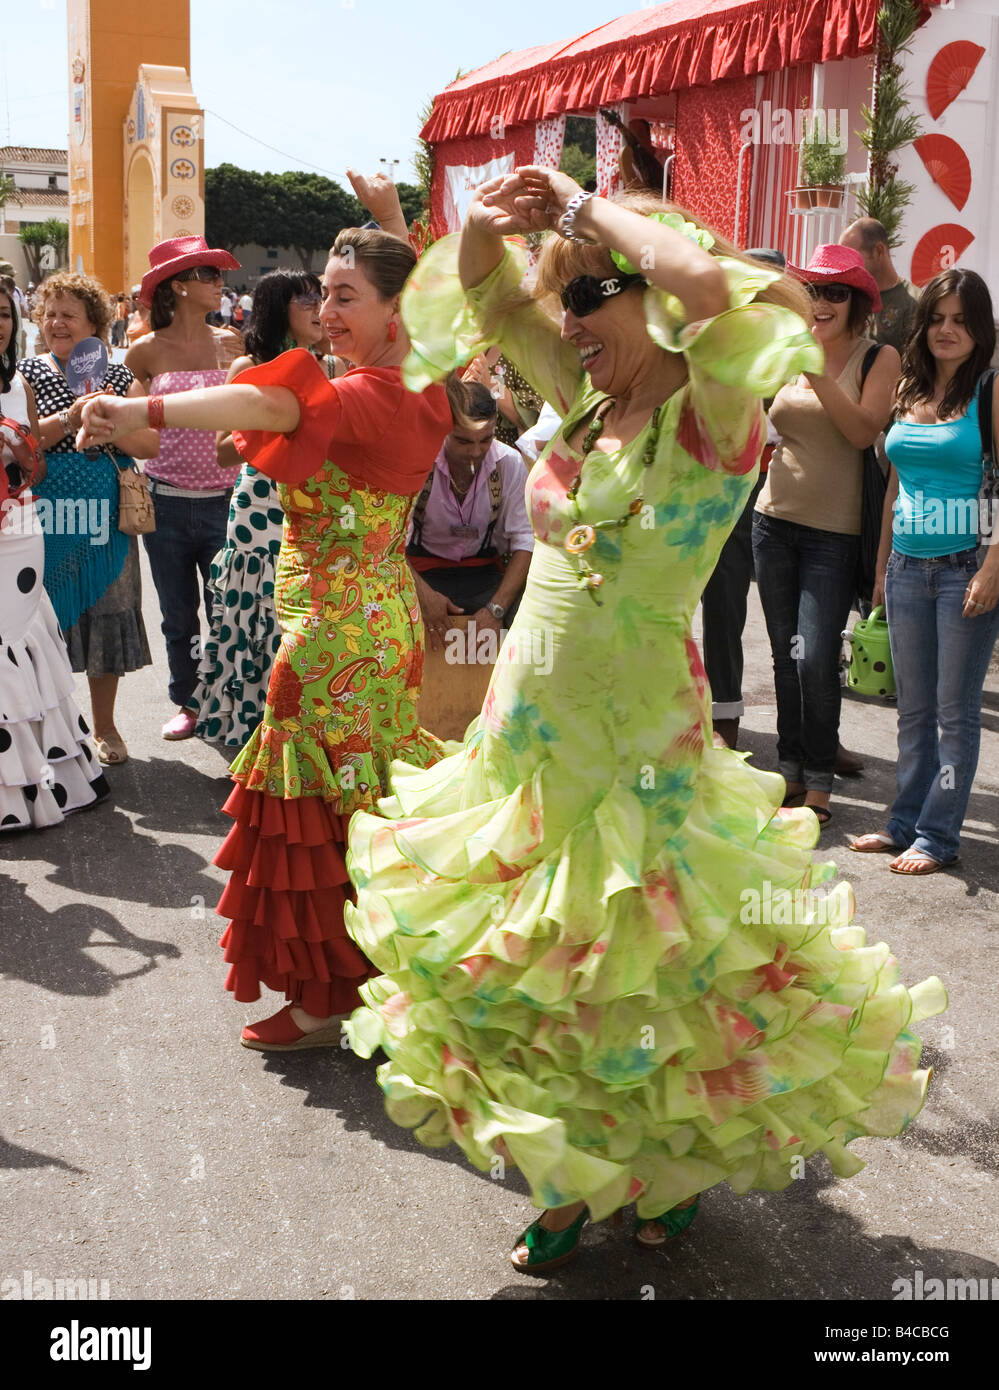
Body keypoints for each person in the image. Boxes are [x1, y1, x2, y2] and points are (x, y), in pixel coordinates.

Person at [327, 171, 941, 1269]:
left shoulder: (719, 410)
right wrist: (495, 222)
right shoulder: (585, 396)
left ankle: (634, 1172)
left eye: (591, 296)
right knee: (536, 967)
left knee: (636, 966)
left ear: (646, 302)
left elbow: (704, 282)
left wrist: (576, 195)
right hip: (529, 724)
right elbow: (485, 292)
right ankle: (593, 1172)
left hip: (636, 733)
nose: (568, 321)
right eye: (566, 302)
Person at [79, 221, 453, 1049]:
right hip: (384, 627)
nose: (326, 311)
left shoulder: (361, 395)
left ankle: (328, 1003)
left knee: (315, 817)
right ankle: (387, 977)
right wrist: (390, 214)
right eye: (324, 293)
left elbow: (259, 400)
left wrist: (134, 406)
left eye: (347, 296)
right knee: (368, 805)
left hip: (329, 642)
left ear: (398, 311)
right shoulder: (424, 386)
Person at [851, 268, 999, 872]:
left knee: (953, 711)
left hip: (967, 563)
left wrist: (992, 567)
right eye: (938, 317)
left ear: (980, 328)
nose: (947, 330)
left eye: (961, 320)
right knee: (911, 708)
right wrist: (884, 568)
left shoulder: (990, 389)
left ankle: (938, 837)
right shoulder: (908, 388)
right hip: (909, 566)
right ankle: (902, 823)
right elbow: (894, 487)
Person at [753, 246, 901, 826]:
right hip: (773, 520)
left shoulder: (877, 357)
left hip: (833, 536)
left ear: (858, 303)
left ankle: (819, 776)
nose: (821, 302)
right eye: (813, 290)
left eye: (836, 292)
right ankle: (790, 769)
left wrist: (813, 368)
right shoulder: (785, 350)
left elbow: (864, 431)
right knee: (785, 657)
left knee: (815, 656)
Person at [19, 273, 159, 765]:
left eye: (69, 315)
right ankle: (51, 728)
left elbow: (149, 444)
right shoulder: (26, 374)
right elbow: (23, 443)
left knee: (107, 616)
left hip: (106, 521)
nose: (57, 323)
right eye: (50, 314)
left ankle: (105, 727)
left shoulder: (119, 377)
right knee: (41, 625)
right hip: (45, 520)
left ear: (95, 324)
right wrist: (70, 419)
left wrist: (106, 424)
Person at [191, 268, 331, 746]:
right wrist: (279, 421)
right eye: (307, 298)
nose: (319, 307)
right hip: (259, 504)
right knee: (253, 609)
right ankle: (248, 726)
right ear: (278, 308)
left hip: (313, 502)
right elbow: (223, 451)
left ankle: (297, 728)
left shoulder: (331, 366)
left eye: (322, 297)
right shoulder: (247, 368)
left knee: (302, 614)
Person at [0, 280, 110, 828]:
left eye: (1, 313)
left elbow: (33, 454)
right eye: (52, 313)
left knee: (23, 641)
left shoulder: (19, 382)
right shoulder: (32, 372)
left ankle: (42, 784)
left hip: (20, 528)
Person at [126, 236, 244, 740]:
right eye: (209, 276)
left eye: (219, 276)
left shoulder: (233, 344)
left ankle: (227, 704)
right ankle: (188, 702)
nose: (221, 284)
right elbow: (135, 426)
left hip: (228, 502)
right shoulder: (144, 351)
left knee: (228, 614)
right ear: (180, 285)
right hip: (167, 504)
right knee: (179, 617)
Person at [700, 247, 783, 750]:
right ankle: (707, 716)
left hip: (775, 495)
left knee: (762, 612)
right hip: (710, 491)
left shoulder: (794, 346)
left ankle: (807, 734)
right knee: (706, 604)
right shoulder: (715, 340)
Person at [408, 381, 533, 648]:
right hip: (422, 572)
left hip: (483, 574)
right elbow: (390, 540)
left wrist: (496, 609)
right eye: (463, 441)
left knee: (530, 613)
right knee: (394, 613)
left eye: (485, 440)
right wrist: (424, 597)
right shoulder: (417, 460)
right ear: (444, 428)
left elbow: (525, 541)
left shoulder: (509, 463)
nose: (475, 452)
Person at [840, 219, 921, 354]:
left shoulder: (914, 303)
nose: (845, 265)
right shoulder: (843, 297)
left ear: (878, 251)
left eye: (852, 256)